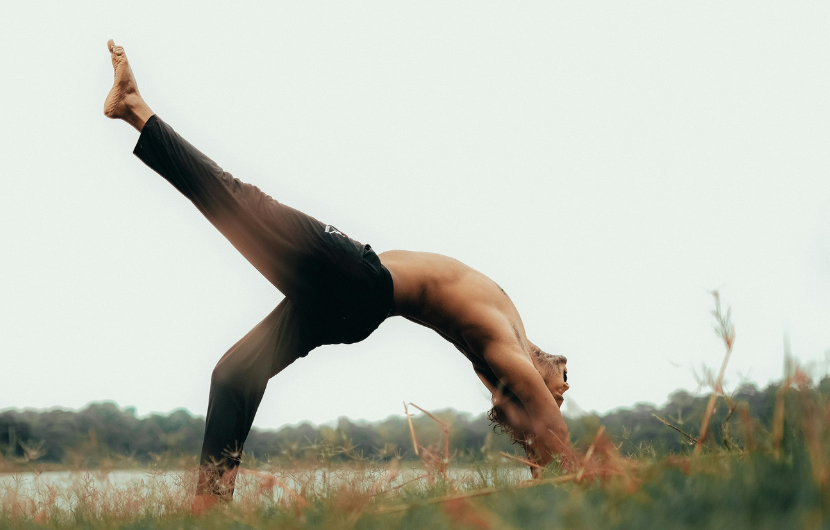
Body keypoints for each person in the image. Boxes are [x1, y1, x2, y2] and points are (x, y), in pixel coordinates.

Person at [102, 40, 574, 504]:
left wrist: (569, 466)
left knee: (241, 202)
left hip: (358, 284)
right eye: (560, 392)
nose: (558, 394)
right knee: (234, 373)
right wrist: (547, 463)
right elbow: (532, 408)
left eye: (553, 397)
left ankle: (134, 109)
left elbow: (543, 421)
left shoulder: (503, 346)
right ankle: (209, 506)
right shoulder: (506, 332)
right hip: (349, 299)